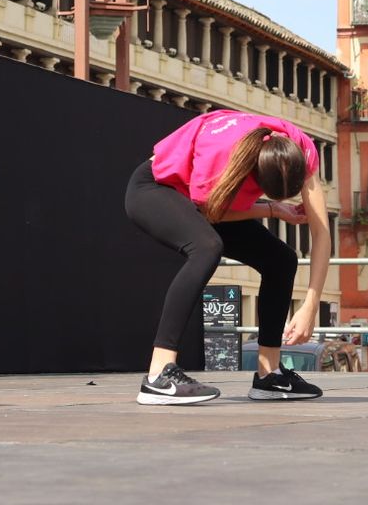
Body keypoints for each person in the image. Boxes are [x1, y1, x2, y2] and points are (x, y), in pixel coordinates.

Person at [125, 110, 331, 405]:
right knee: (206, 247)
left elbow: (321, 233)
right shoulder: (222, 154)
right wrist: (271, 209)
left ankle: (269, 375)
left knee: (281, 259)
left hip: (207, 199)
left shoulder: (300, 149)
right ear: (253, 174)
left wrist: (311, 306)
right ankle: (159, 375)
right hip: (156, 189)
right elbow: (211, 213)